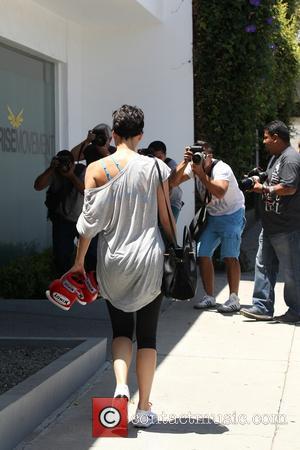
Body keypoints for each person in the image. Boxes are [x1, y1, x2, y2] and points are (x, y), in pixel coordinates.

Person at [67, 105, 175, 427]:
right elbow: (166, 219)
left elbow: (87, 226)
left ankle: (119, 386)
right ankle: (143, 408)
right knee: (148, 336)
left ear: (113, 135)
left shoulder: (96, 169)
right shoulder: (156, 168)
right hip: (149, 259)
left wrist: (77, 264)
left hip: (112, 261)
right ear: (141, 134)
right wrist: (177, 250)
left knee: (120, 331)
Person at [169, 141, 245, 313]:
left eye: (202, 156)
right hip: (213, 216)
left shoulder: (222, 168)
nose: (199, 160)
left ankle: (234, 298)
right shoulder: (194, 165)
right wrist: (185, 162)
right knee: (202, 254)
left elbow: (219, 191)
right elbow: (172, 183)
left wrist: (202, 175)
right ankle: (209, 297)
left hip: (232, 214)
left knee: (230, 256)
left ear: (209, 156)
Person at [241, 120, 300, 324]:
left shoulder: (290, 159)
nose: (264, 141)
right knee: (263, 265)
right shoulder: (276, 157)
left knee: (292, 271)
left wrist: (265, 189)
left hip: (286, 227)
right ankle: (262, 306)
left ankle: (296, 311)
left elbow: (289, 187)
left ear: (276, 137)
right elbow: (273, 180)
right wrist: (259, 181)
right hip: (270, 225)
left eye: (266, 137)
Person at [34, 150, 85, 276]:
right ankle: (63, 283)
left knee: (89, 255)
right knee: (61, 257)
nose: (64, 165)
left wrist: (71, 176)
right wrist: (51, 168)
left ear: (74, 163)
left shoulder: (82, 171)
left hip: (83, 219)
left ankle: (86, 284)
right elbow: (38, 186)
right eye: (61, 162)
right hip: (62, 220)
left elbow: (86, 191)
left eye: (67, 162)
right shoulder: (54, 172)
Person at [147, 140, 183, 222]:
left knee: (167, 230)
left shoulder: (170, 164)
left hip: (172, 202)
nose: (157, 161)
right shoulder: (147, 164)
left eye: (159, 158)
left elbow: (169, 187)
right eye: (154, 158)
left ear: (165, 155)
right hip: (155, 202)